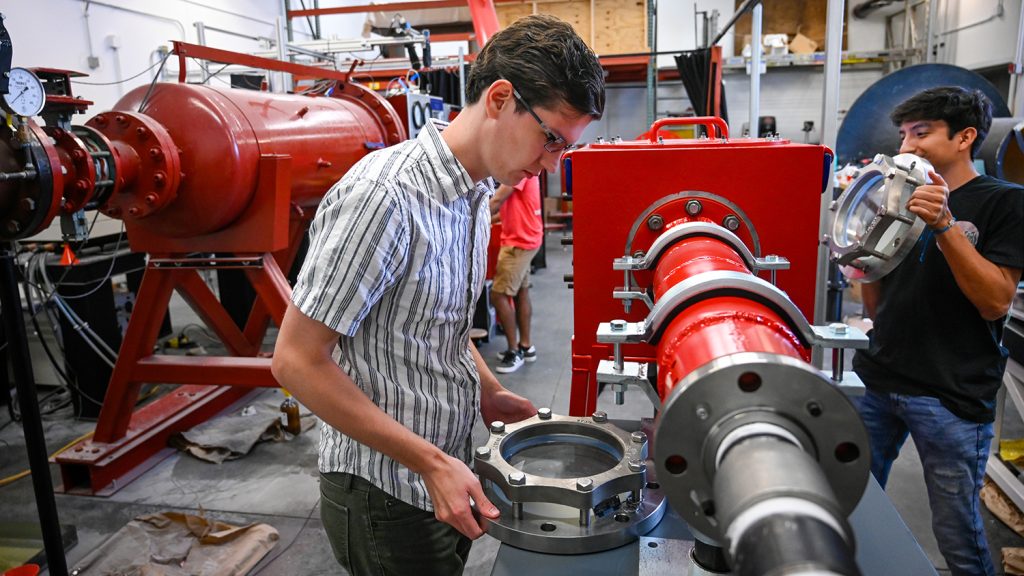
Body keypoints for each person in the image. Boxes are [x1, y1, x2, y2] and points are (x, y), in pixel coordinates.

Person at [271, 14, 605, 575]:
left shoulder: (475, 195)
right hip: (386, 491)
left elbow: (439, 324)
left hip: (443, 471)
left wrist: (489, 390)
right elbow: (297, 361)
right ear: (500, 98)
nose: (552, 165)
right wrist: (429, 463)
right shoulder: (384, 199)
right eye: (551, 140)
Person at [853, 86, 1024, 576]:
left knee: (957, 534)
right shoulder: (899, 197)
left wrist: (946, 223)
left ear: (965, 136)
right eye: (904, 133)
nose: (907, 145)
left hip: (950, 395)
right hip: (881, 378)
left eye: (922, 133)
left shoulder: (1004, 203)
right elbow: (877, 295)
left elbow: (995, 301)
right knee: (854, 503)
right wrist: (860, 257)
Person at [490, 174, 543, 373]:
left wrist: (465, 219)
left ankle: (514, 352)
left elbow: (496, 201)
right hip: (527, 238)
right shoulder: (526, 170)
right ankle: (526, 347)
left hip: (518, 243)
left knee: (499, 295)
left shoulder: (518, 172)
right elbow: (506, 209)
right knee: (522, 291)